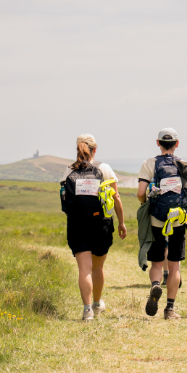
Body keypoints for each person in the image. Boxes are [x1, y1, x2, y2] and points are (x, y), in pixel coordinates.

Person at [60, 134, 127, 321]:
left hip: (77, 224)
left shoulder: (67, 171)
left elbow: (65, 201)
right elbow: (116, 197)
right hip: (101, 224)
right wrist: (121, 223)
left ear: (77, 149)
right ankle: (97, 305)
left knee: (84, 269)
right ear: (94, 150)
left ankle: (87, 310)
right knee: (98, 268)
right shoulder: (104, 168)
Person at [137, 128, 187, 320]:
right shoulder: (186, 165)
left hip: (157, 219)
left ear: (158, 143)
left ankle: (156, 285)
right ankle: (170, 309)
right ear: (177, 143)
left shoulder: (149, 164)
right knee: (174, 266)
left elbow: (140, 193)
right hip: (178, 220)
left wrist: (147, 203)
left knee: (157, 262)